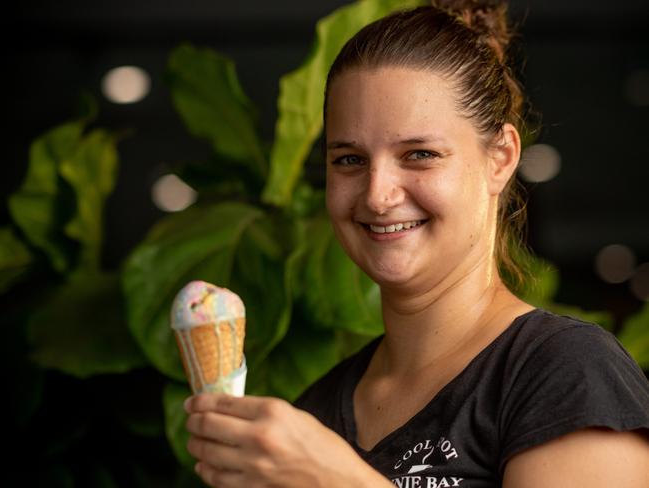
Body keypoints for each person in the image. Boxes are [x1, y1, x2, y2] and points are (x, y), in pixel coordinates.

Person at [182, 1, 649, 486]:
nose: (377, 195)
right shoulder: (313, 414)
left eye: (420, 154)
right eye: (348, 160)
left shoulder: (564, 371)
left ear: (501, 158)